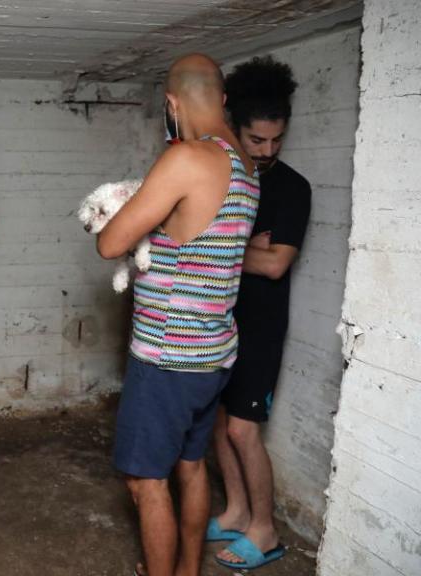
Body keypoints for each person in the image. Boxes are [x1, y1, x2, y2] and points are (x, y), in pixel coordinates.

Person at [94, 54, 260, 576]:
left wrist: (120, 205)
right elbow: (192, 233)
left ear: (171, 104)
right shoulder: (245, 165)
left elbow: (111, 242)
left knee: (145, 481)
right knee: (190, 467)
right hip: (213, 353)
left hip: (168, 355)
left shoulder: (187, 157)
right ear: (223, 100)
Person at [210, 56, 310, 570]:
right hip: (219, 320)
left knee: (245, 430)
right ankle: (235, 511)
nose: (268, 151)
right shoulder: (226, 179)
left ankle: (265, 530)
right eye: (257, 140)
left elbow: (275, 265)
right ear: (236, 130)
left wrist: (227, 249)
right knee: (220, 424)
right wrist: (245, 247)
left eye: (277, 140)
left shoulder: (292, 188)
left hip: (261, 327)